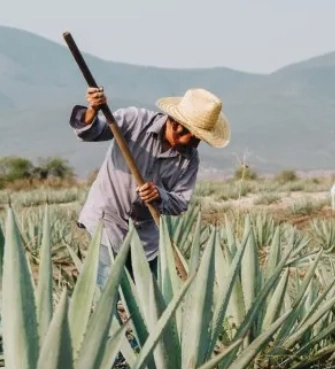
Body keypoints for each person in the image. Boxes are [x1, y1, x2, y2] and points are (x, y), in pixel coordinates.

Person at [71, 85, 230, 287]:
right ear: (178, 125)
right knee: (104, 294)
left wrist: (159, 195)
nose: (197, 144)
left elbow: (181, 202)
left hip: (146, 239)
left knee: (146, 301)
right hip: (107, 223)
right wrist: (93, 109)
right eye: (196, 137)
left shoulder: (190, 160)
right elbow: (90, 132)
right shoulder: (135, 121)